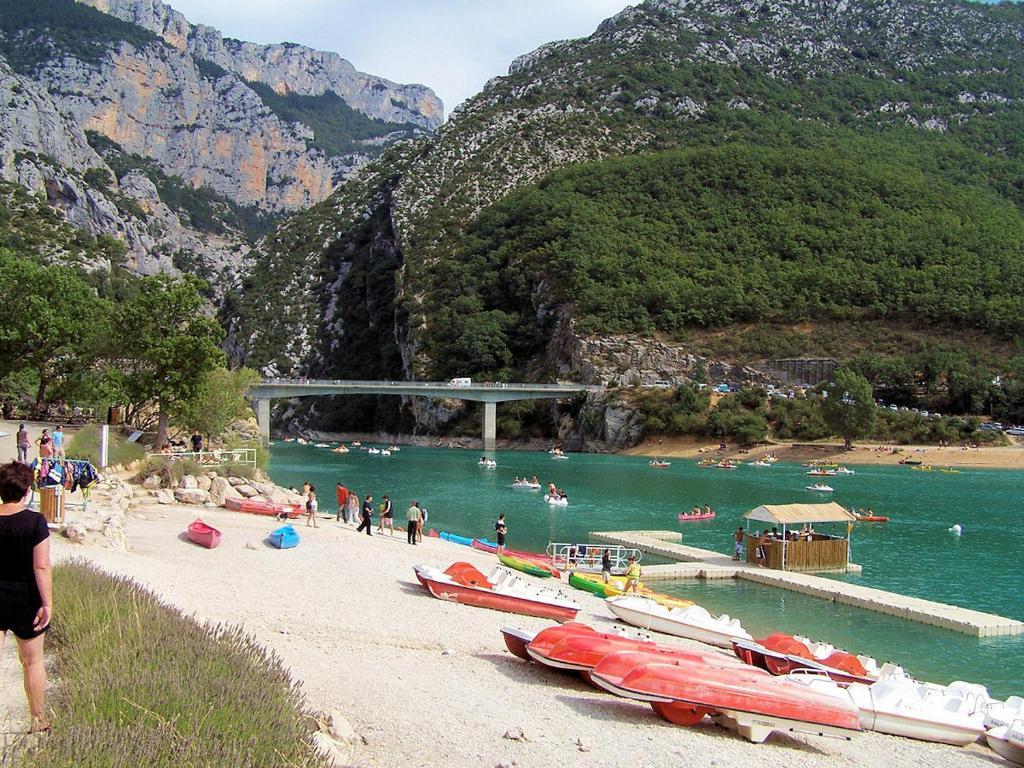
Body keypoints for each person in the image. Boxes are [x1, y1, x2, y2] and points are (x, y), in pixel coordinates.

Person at [0, 461, 53, 734]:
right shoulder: (35, 521)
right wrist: (47, 603)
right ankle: (37, 719)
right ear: (26, 491)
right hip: (26, 597)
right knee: (32, 661)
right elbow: (41, 566)